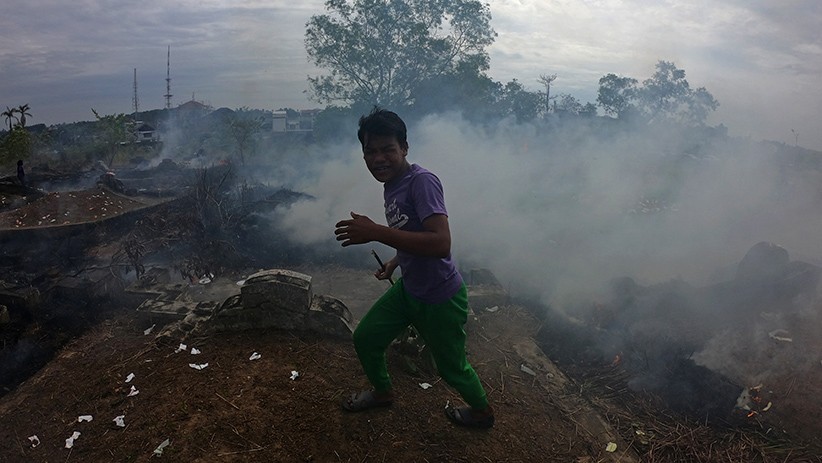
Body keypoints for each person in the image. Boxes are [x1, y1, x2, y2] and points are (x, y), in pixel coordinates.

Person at [334, 107, 494, 429]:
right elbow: (412, 231)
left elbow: (440, 242)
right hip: (409, 289)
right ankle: (383, 393)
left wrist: (376, 232)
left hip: (440, 297)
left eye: (388, 149)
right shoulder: (392, 184)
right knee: (366, 337)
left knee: (451, 368)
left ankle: (482, 412)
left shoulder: (422, 182)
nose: (378, 159)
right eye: (370, 151)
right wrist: (396, 260)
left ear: (405, 148)